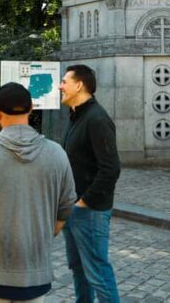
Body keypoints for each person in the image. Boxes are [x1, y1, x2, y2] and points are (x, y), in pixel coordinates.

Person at [0, 82, 76, 302]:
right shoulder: (57, 154)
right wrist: (41, 235)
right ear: (30, 110)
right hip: (33, 280)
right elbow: (65, 208)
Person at [58, 65, 121, 303]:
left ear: (79, 85)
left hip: (90, 211)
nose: (60, 86)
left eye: (65, 81)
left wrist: (84, 202)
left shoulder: (96, 118)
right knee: (79, 270)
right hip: (74, 209)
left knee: (97, 273)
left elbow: (111, 168)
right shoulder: (77, 115)